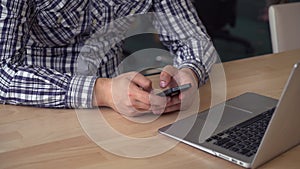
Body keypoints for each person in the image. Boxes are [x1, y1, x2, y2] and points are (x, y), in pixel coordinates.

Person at [0, 0, 218, 116]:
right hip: (34, 109)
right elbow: (2, 71)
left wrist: (190, 72)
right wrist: (101, 91)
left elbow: (193, 39)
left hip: (118, 113)